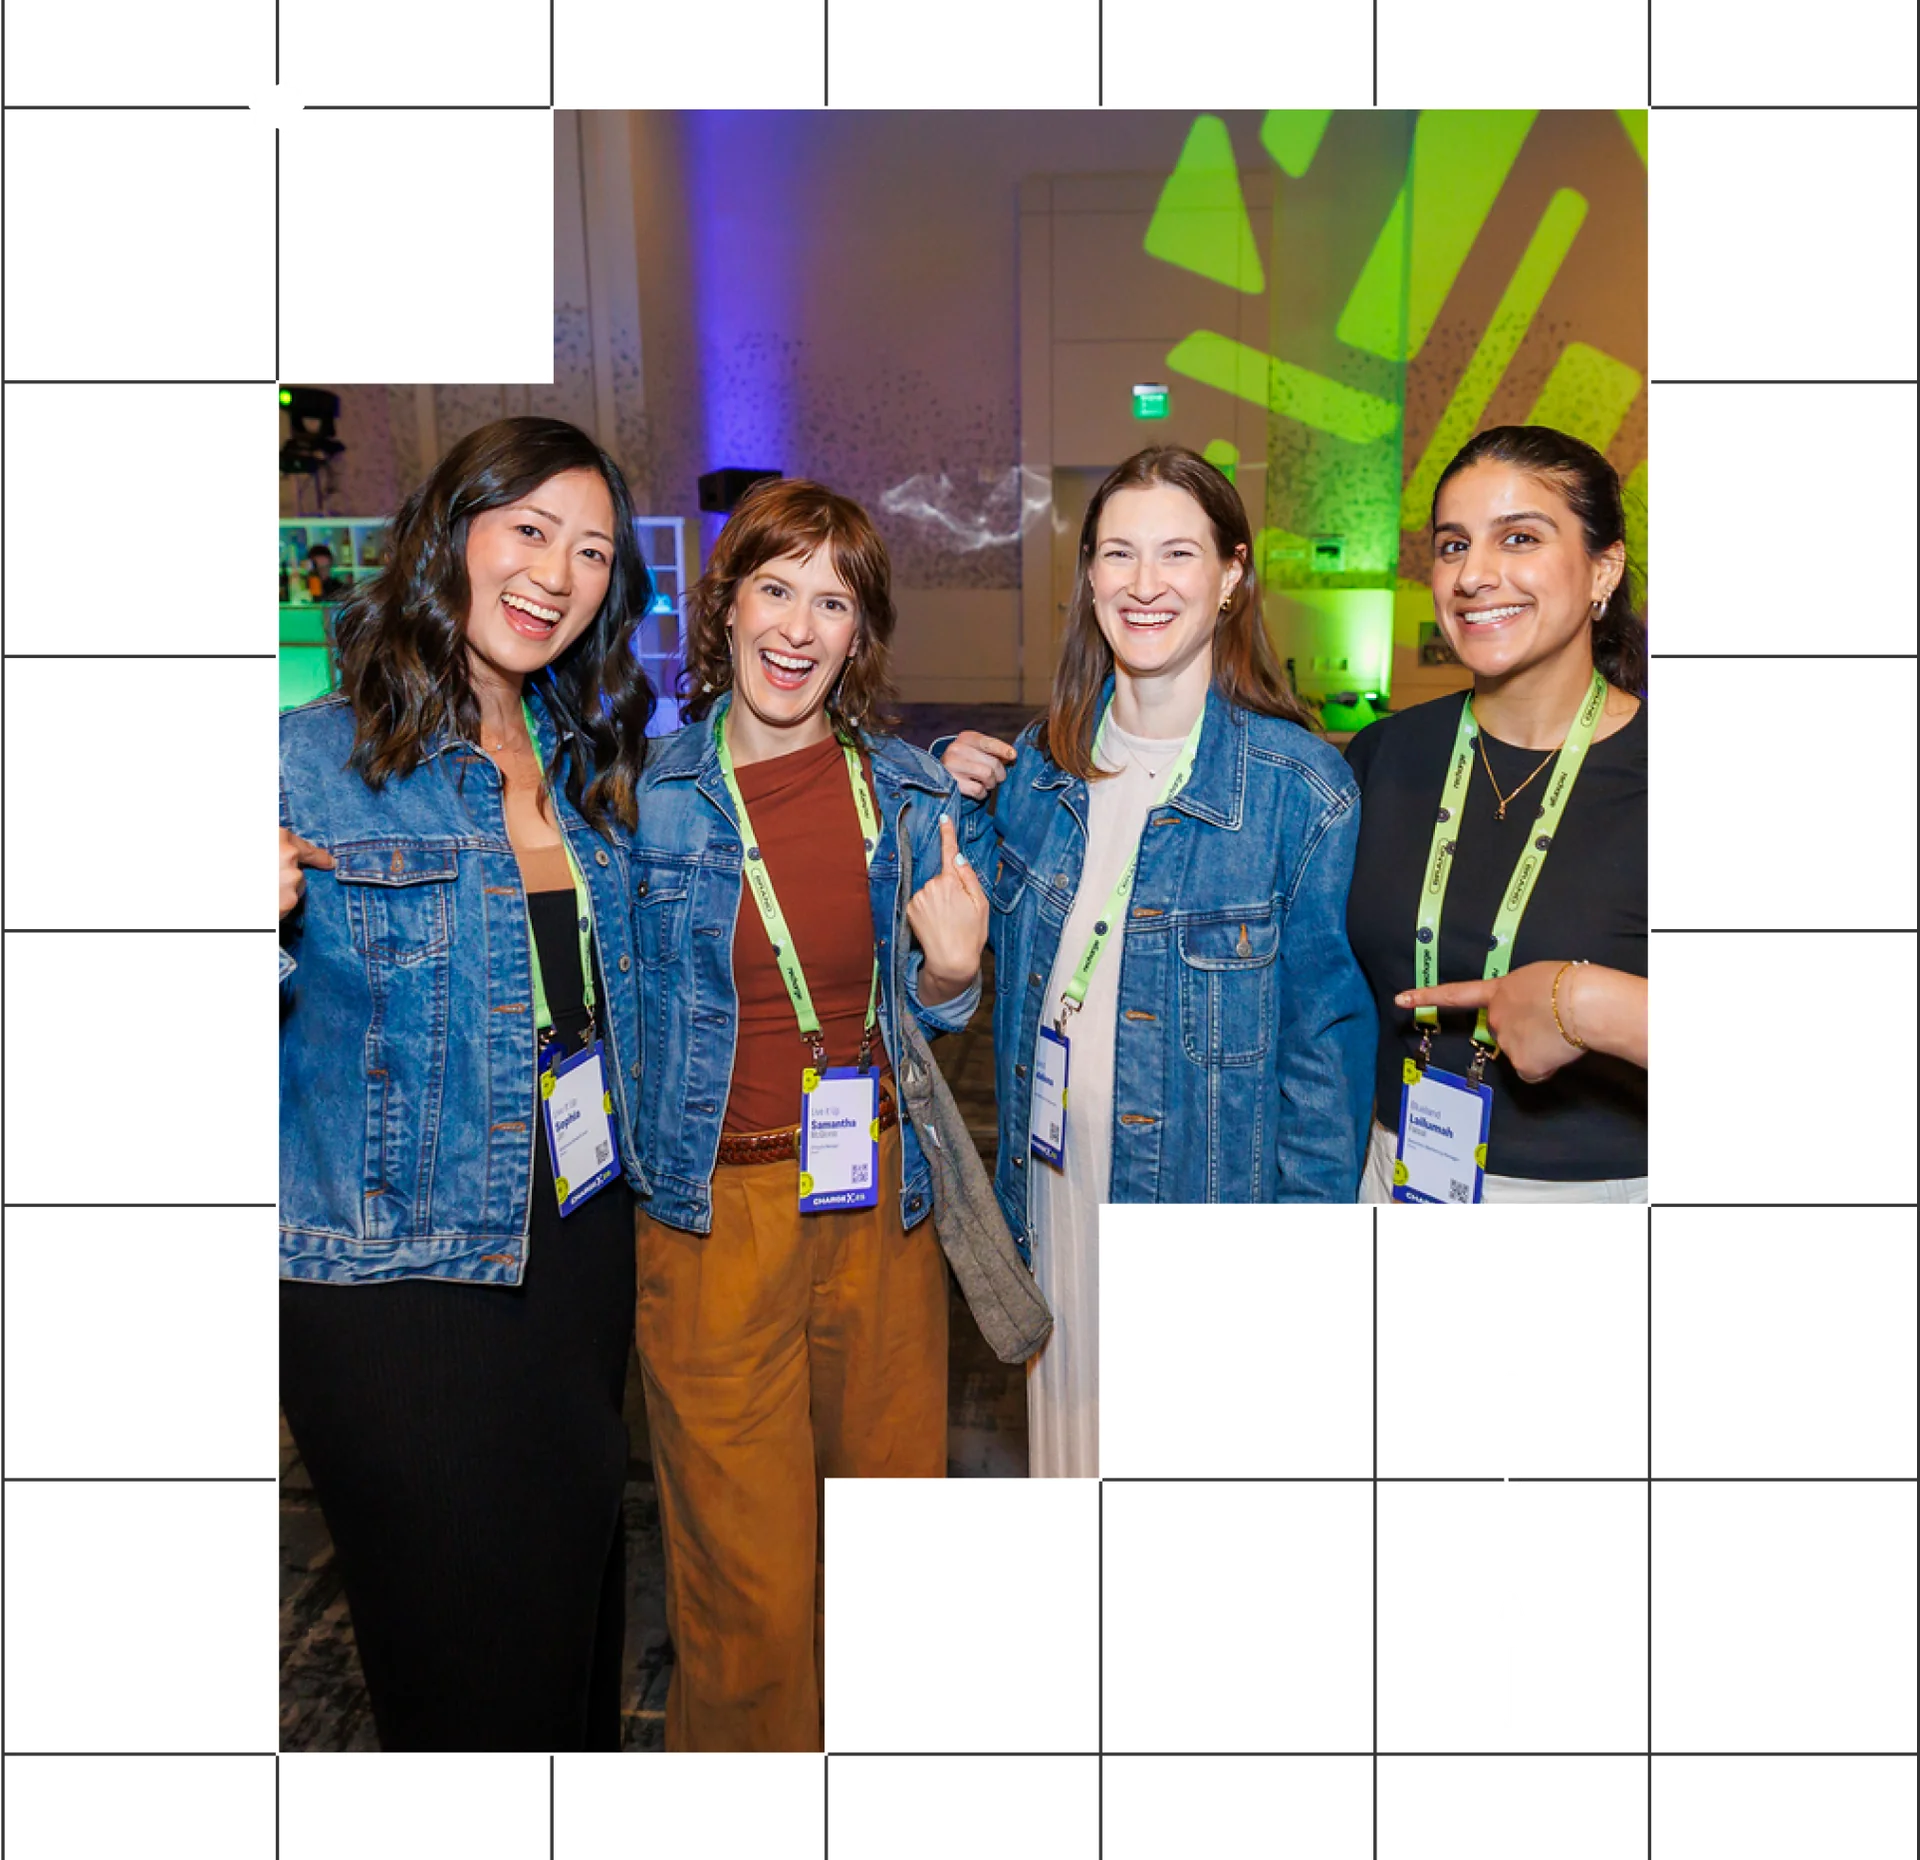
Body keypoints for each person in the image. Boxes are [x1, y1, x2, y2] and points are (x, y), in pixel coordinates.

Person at [276, 416, 658, 1751]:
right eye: (531, 528)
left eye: (595, 550)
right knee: (460, 1681)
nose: (561, 571)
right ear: (452, 533)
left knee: (568, 1645)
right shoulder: (308, 762)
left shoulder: (588, 761)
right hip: (399, 1291)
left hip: (577, 1246)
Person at [622, 478, 987, 1753]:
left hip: (882, 1206)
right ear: (723, 608)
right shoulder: (642, 801)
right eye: (775, 587)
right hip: (714, 1220)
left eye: (832, 600)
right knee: (748, 1587)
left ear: (858, 634)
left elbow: (934, 1010)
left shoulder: (911, 793)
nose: (798, 625)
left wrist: (949, 979)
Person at [940, 445, 1376, 1479]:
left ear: (1231, 577)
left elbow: (1323, 1069)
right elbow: (944, 972)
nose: (1144, 584)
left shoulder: (1300, 792)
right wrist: (943, 796)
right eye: (1118, 554)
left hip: (1201, 1196)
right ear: (1086, 576)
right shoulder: (1039, 772)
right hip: (1051, 1195)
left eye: (1178, 554)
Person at [1342, 425, 1647, 1204]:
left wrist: (1586, 1006)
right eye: (1452, 546)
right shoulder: (1383, 758)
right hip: (1396, 1173)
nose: (1475, 575)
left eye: (1519, 538)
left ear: (1602, 569)